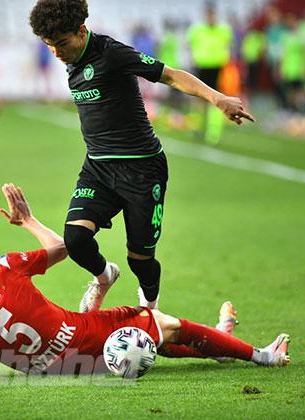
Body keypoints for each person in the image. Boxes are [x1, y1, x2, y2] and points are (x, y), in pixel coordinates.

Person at [0, 184, 290, 378]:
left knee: (145, 342)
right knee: (162, 324)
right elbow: (63, 248)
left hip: (55, 370)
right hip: (80, 336)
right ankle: (263, 357)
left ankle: (220, 344)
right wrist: (28, 220)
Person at [27, 0, 254, 314]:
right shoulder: (71, 58)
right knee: (76, 240)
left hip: (142, 169)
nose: (56, 52)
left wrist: (217, 98)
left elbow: (170, 75)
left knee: (140, 258)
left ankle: (150, 311)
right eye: (49, 45)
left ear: (81, 31)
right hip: (98, 168)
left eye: (61, 44)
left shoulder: (112, 54)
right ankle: (104, 277)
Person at [187, 3, 235, 144]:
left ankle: (213, 133)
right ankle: (196, 127)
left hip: (218, 68)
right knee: (197, 98)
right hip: (201, 67)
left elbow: (229, 46)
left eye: (212, 14)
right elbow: (190, 46)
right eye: (208, 14)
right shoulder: (196, 30)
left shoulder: (224, 30)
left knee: (217, 99)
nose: (210, 17)